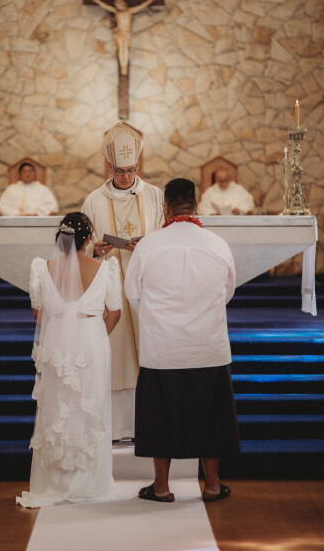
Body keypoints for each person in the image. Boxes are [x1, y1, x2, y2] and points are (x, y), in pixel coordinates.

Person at [125, 178, 240, 502]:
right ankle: (213, 485)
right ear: (196, 204)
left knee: (160, 416)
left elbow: (133, 293)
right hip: (208, 346)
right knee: (211, 416)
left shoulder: (149, 245)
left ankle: (161, 487)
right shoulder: (217, 244)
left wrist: (159, 318)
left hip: (163, 347)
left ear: (166, 207)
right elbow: (227, 291)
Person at [16, 212, 122, 507]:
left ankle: (55, 480)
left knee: (57, 406)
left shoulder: (42, 268)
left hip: (56, 343)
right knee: (91, 405)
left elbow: (38, 313)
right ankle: (89, 482)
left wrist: (63, 327)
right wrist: (95, 336)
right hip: (92, 341)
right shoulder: (106, 269)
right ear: (88, 239)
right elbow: (114, 312)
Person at [81, 121, 164, 440]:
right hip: (109, 290)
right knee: (115, 357)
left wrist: (148, 246)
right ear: (110, 167)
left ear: (138, 165)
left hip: (146, 288)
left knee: (146, 354)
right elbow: (83, 247)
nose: (126, 177)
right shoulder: (93, 200)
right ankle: (115, 428)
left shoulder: (155, 196)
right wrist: (96, 250)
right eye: (120, 171)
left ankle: (148, 425)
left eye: (130, 170)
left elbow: (165, 238)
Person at [91, 0, 156, 75]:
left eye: (123, 2)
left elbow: (141, 6)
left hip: (127, 33)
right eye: (120, 3)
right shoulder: (116, 12)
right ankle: (122, 66)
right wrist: (98, 1)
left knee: (126, 49)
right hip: (120, 33)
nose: (123, 4)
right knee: (121, 49)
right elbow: (106, 6)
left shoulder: (130, 11)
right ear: (116, 5)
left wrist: (149, 1)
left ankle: (125, 65)